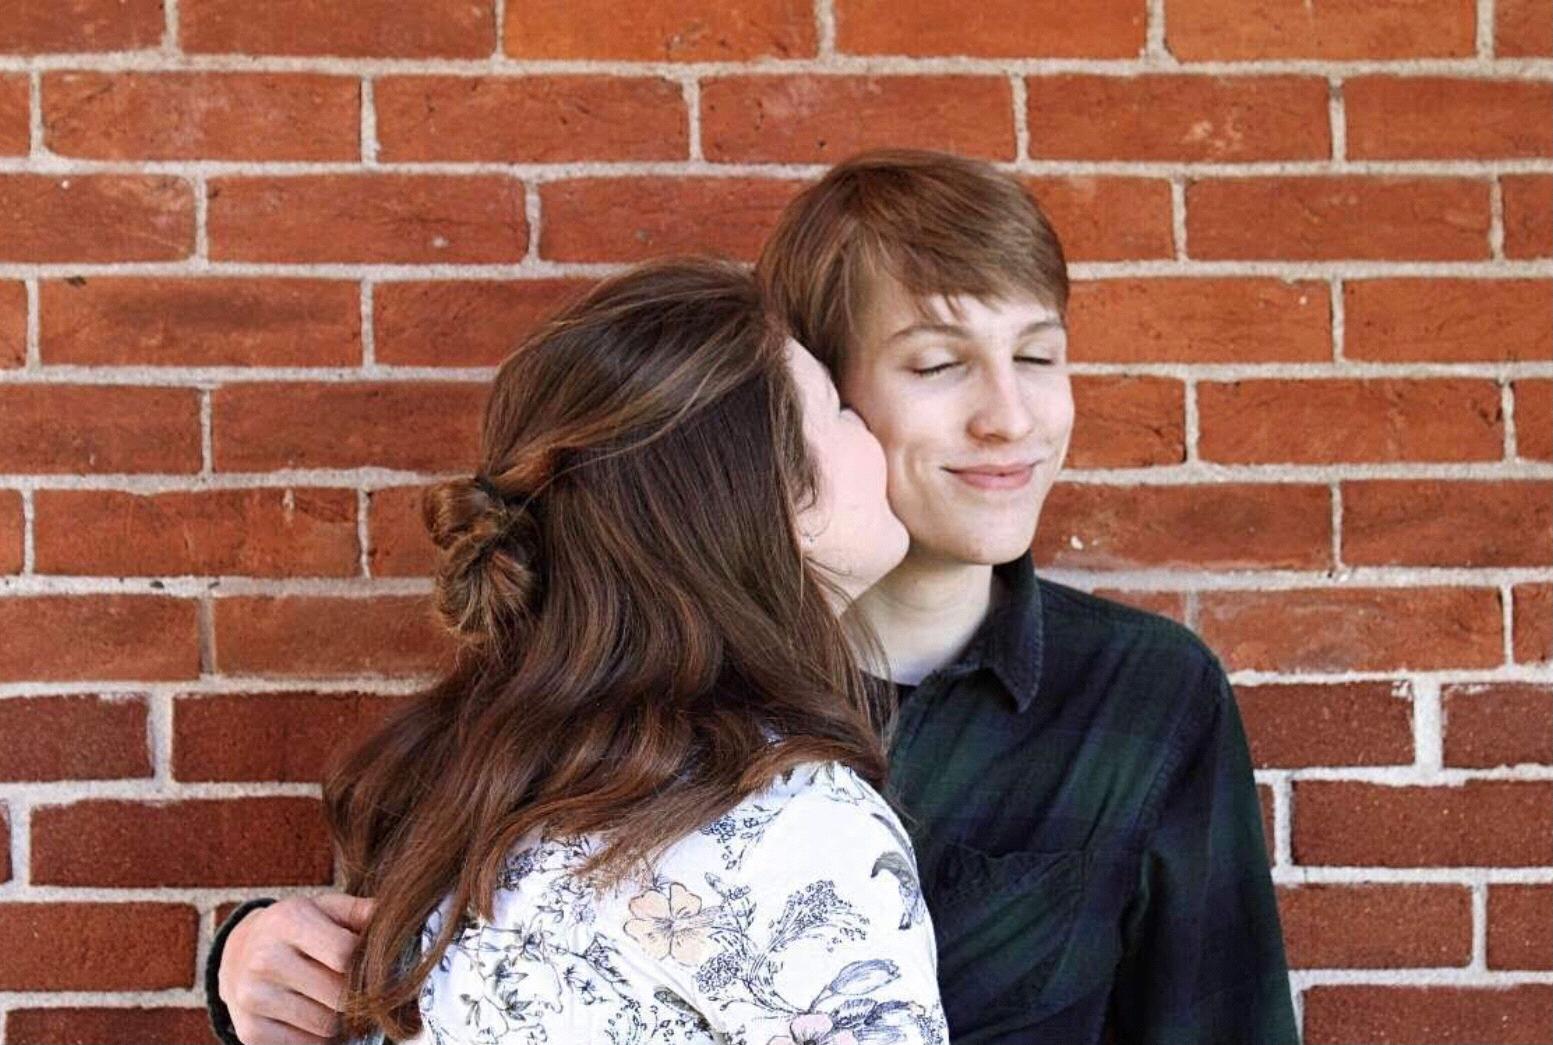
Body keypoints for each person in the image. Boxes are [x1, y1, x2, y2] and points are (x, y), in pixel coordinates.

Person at [207, 150, 1298, 1045]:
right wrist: (259, 961)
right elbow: (450, 971)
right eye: (936, 365)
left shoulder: (1144, 693)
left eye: (1039, 355)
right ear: (794, 408)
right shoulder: (584, 696)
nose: (1009, 417)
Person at [211, 256, 947, 1045]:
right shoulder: (799, 826)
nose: (872, 430)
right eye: (837, 409)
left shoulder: (469, 790)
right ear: (776, 503)